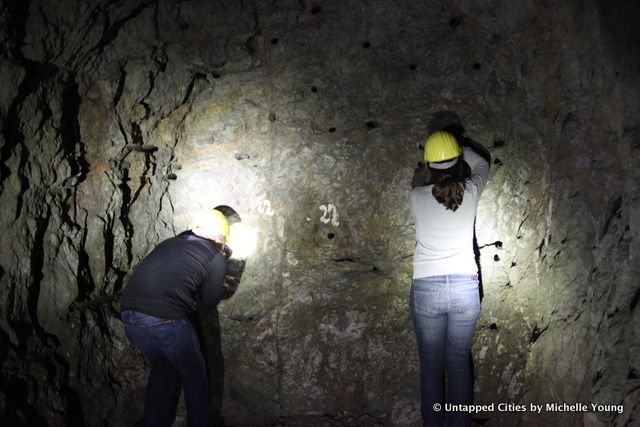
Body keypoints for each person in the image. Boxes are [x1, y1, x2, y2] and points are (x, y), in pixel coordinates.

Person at [120, 208, 231, 427]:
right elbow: (210, 301)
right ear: (220, 237)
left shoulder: (169, 243)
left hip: (129, 315)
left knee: (162, 368)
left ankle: (152, 423)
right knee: (194, 374)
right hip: (165, 318)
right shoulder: (215, 257)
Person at [409, 130, 490, 426]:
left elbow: (422, 180)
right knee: (458, 366)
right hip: (464, 289)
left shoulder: (417, 197)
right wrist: (462, 144)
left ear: (429, 166)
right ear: (458, 163)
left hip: (427, 289)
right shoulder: (470, 191)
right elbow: (482, 165)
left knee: (431, 367)